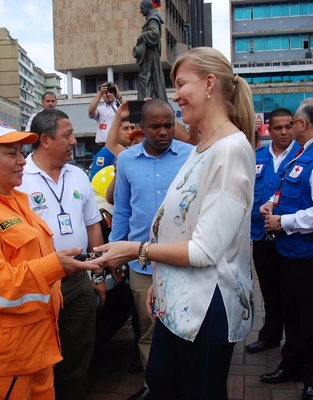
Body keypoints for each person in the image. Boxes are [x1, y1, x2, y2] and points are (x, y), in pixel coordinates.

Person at [93, 47, 256, 400]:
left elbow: (205, 249)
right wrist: (163, 282)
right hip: (181, 297)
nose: (176, 95)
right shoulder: (202, 147)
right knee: (163, 380)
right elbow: (180, 224)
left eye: (181, 84)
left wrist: (137, 250)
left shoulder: (230, 150)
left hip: (207, 305)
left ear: (210, 84)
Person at [0, 118, 96, 400]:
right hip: (6, 360)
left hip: (36, 350)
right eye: (11, 153)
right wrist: (54, 266)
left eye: (21, 152)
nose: (23, 161)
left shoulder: (14, 201)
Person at [16, 109, 107, 400]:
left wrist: (97, 272)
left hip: (79, 277)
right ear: (44, 140)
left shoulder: (79, 175)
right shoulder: (20, 179)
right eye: (66, 135)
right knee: (40, 351)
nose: (73, 141)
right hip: (40, 281)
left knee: (79, 349)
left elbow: (93, 225)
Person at [106, 98, 193, 400]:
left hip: (184, 260)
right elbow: (122, 212)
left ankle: (183, 386)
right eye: (155, 126)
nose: (164, 132)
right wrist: (116, 251)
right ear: (142, 128)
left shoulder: (192, 157)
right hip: (141, 266)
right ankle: (155, 387)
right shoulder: (127, 160)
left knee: (185, 325)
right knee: (148, 330)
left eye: (169, 124)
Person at [259, 98, 313, 400]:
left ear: (303, 124)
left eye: (294, 121)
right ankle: (291, 366)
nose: (291, 126)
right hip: (291, 254)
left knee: (310, 323)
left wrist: (284, 221)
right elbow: (292, 190)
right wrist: (274, 204)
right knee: (293, 317)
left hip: (311, 258)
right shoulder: (304, 153)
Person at [245, 108, 301, 354]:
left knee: (291, 292)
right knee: (268, 289)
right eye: (278, 127)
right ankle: (270, 335)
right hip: (261, 236)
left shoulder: (302, 156)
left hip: (290, 237)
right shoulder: (256, 157)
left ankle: (293, 344)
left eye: (288, 126)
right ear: (269, 129)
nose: (284, 132)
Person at [134, 0, 167, 101]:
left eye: (141, 8)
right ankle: (147, 99)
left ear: (146, 7)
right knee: (148, 78)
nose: (140, 11)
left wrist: (142, 36)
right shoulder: (151, 19)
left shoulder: (153, 19)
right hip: (149, 54)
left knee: (146, 77)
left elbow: (154, 34)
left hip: (150, 55)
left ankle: (146, 100)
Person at [90, 116, 134, 180]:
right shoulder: (106, 152)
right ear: (116, 132)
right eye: (125, 129)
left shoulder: (138, 150)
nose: (130, 132)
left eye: (132, 128)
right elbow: (95, 179)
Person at [88, 82, 123, 149]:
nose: (109, 94)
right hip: (101, 145)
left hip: (116, 145)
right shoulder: (100, 109)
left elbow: (129, 111)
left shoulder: (120, 107)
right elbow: (91, 111)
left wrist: (119, 96)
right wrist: (100, 93)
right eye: (106, 92)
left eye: (111, 92)